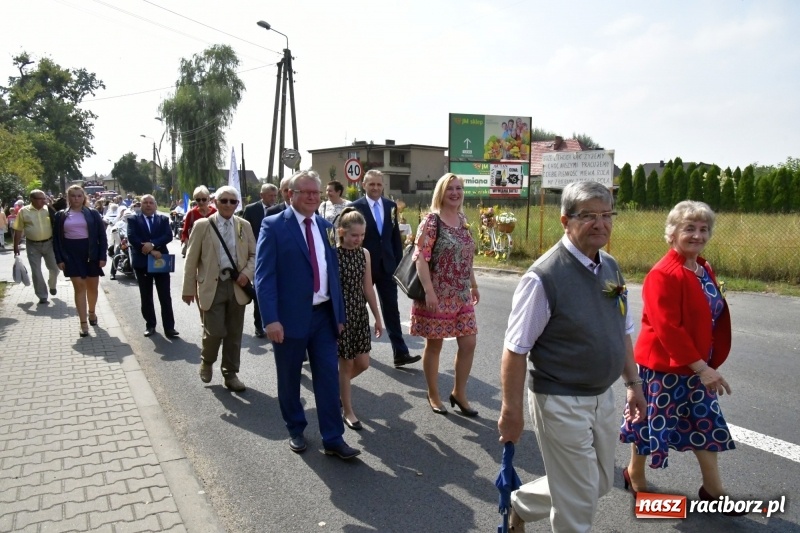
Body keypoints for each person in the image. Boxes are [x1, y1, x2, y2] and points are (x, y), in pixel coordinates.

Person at [498, 181, 646, 533]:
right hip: (560, 399)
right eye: (588, 216)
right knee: (578, 502)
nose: (600, 223)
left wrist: (633, 384)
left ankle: (521, 503)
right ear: (565, 221)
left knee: (598, 482)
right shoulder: (543, 277)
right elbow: (515, 350)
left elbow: (622, 331)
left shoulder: (610, 266)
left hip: (602, 395)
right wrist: (511, 412)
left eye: (607, 215)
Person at [619, 200, 744, 515]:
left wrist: (705, 364)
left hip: (696, 366)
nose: (698, 235)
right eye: (690, 228)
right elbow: (668, 329)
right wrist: (702, 368)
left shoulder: (702, 268)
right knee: (649, 423)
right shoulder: (663, 274)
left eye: (704, 229)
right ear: (672, 232)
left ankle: (713, 490)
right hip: (664, 368)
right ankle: (635, 474)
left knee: (706, 423)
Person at [255, 169, 359, 460]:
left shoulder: (325, 226)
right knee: (289, 377)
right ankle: (296, 428)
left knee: (328, 377)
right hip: (288, 319)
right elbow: (264, 277)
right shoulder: (273, 225)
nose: (314, 197)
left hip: (324, 316)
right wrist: (270, 319)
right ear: (292, 194)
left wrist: (339, 315)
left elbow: (332, 273)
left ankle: (333, 438)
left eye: (317, 192)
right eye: (307, 192)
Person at [412, 173, 480, 416]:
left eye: (458, 188)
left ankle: (459, 392)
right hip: (437, 294)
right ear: (441, 192)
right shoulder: (432, 221)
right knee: (435, 345)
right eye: (450, 188)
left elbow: (466, 256)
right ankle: (433, 394)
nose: (455, 193)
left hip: (461, 294)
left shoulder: (462, 219)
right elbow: (420, 258)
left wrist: (473, 284)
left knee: (469, 343)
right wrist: (429, 291)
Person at [183, 186, 256, 393]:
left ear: (237, 204)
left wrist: (246, 274)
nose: (228, 205)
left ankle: (230, 373)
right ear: (215, 202)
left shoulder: (244, 225)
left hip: (237, 285)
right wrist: (188, 288)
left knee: (234, 333)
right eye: (224, 200)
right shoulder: (203, 225)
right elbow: (191, 259)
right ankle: (207, 361)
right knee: (214, 331)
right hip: (211, 285)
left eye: (233, 201)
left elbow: (254, 254)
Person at [351, 170, 421, 368]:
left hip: (387, 266)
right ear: (364, 185)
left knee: (391, 309)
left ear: (383, 186)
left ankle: (400, 352)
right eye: (371, 184)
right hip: (363, 266)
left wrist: (399, 264)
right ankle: (355, 349)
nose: (375, 188)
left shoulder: (390, 206)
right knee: (358, 309)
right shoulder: (355, 207)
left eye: (379, 184)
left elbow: (393, 237)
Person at [336, 207, 383, 430]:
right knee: (346, 364)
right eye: (354, 235)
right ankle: (348, 411)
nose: (359, 239)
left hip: (359, 314)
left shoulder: (364, 254)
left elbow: (368, 288)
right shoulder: (333, 254)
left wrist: (377, 317)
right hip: (341, 315)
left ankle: (336, 388)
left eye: (362, 235)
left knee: (363, 363)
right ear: (341, 232)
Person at [52, 185, 107, 337]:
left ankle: (92, 312)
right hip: (71, 254)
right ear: (68, 197)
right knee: (79, 287)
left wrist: (102, 256)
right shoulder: (60, 215)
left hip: (91, 253)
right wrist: (59, 258)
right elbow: (56, 239)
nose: (76, 199)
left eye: (79, 196)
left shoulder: (93, 213)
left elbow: (102, 236)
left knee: (92, 287)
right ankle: (83, 323)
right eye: (73, 196)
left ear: (84, 197)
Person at [127, 194, 179, 338]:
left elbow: (168, 236)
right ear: (141, 205)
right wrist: (151, 250)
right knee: (146, 296)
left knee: (165, 296)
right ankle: (150, 325)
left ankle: (169, 328)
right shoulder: (133, 219)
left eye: (151, 202)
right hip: (142, 262)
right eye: (145, 202)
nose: (148, 205)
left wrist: (154, 244)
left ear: (155, 205)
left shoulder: (163, 219)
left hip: (160, 262)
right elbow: (132, 237)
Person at [242, 183, 279, 337]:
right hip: (256, 255)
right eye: (270, 195)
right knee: (260, 290)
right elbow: (244, 232)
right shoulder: (251, 209)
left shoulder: (278, 210)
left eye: (275, 195)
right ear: (261, 195)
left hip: (275, 255)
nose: (273, 198)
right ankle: (259, 325)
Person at [12, 190, 60, 304]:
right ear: (32, 199)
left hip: (49, 244)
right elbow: (18, 230)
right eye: (41, 199)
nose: (44, 201)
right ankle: (42, 295)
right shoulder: (24, 211)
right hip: (32, 245)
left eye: (44, 198)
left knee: (55, 268)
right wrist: (15, 246)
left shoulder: (48, 209)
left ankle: (52, 285)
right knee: (36, 271)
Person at [181, 185, 217, 255]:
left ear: (208, 199)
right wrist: (191, 247)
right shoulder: (191, 213)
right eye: (198, 200)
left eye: (204, 199)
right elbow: (184, 234)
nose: (201, 202)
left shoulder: (215, 212)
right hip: (195, 250)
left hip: (212, 250)